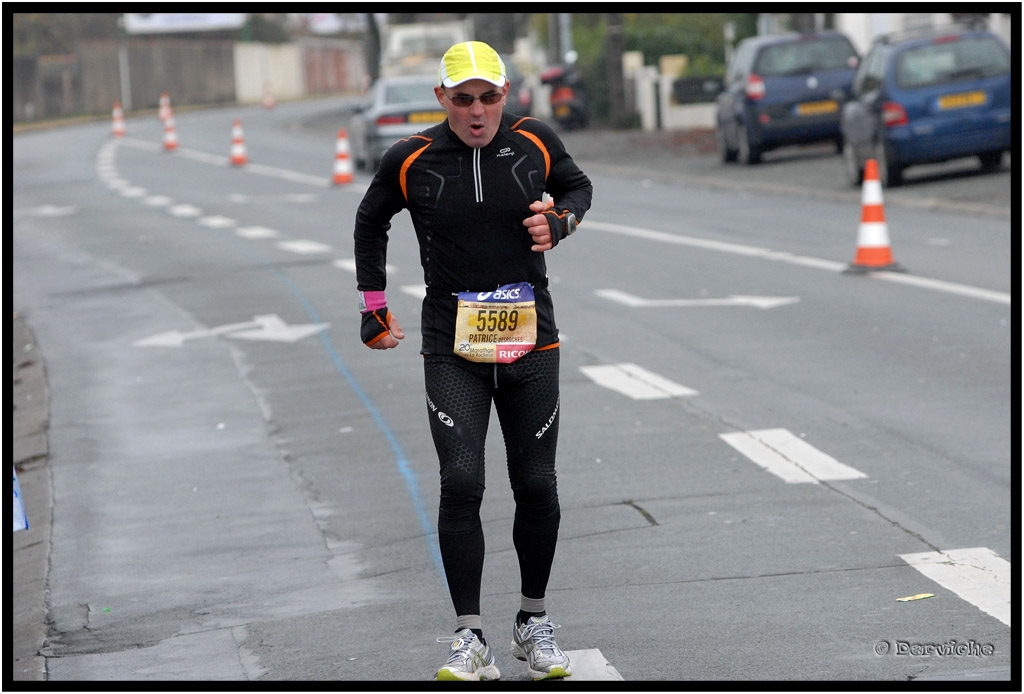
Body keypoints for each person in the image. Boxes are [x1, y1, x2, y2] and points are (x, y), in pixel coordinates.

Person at [353, 40, 593, 681]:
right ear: (442, 100)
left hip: (531, 342)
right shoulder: (412, 158)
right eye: (463, 99)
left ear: (504, 95)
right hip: (452, 348)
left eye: (489, 97)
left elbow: (576, 185)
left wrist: (561, 221)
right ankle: (469, 635)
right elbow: (370, 221)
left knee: (537, 484)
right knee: (461, 483)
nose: (478, 111)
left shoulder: (534, 142)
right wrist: (373, 305)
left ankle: (532, 621)